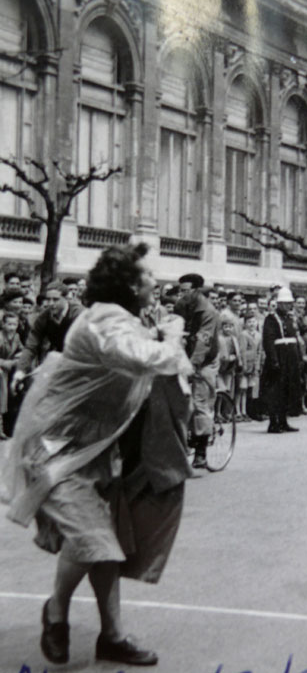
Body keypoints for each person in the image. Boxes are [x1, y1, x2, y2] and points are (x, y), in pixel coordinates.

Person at [3, 243, 192, 666]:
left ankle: (112, 636)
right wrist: (173, 335)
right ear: (129, 284)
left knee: (106, 545)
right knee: (94, 542)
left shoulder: (123, 320)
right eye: (147, 275)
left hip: (92, 450)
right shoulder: (104, 322)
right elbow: (149, 359)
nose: (155, 282)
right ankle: (55, 611)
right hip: (57, 450)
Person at [174, 273, 220, 468]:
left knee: (200, 403)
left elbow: (204, 341)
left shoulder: (209, 311)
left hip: (206, 360)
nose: (182, 295)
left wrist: (192, 365)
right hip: (185, 357)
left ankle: (201, 452)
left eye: (186, 291)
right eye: (180, 291)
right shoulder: (180, 306)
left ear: (197, 290)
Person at [11, 281, 83, 393]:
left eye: (55, 299)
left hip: (80, 359)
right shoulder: (43, 317)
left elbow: (81, 347)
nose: (50, 303)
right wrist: (20, 371)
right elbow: (31, 346)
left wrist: (51, 365)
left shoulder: (79, 315)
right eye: (48, 299)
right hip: (60, 358)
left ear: (66, 299)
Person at [260, 286, 302, 433]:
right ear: (279, 304)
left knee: (287, 390)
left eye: (289, 303)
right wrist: (274, 361)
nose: (288, 306)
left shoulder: (290, 319)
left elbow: (294, 339)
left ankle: (283, 421)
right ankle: (273, 422)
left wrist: (298, 358)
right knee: (275, 392)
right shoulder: (271, 319)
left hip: (290, 359)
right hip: (278, 358)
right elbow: (268, 341)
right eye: (285, 303)